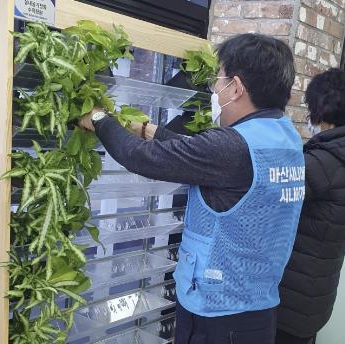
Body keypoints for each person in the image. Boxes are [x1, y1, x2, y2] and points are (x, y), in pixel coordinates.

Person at [79, 33, 305, 344]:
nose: (215, 88)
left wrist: (100, 119)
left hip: (217, 315)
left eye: (220, 79)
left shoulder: (232, 146)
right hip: (255, 308)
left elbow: (139, 158)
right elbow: (204, 157)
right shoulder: (284, 137)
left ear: (236, 87)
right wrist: (146, 129)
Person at [275, 68, 345, 344]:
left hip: (290, 297)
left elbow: (261, 194)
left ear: (321, 110)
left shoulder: (322, 164)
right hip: (318, 293)